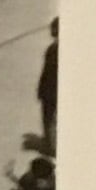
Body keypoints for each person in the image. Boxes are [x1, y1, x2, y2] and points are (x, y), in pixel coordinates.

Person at [36, 16, 59, 152]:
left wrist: (41, 90)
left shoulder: (53, 49)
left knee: (49, 119)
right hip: (55, 91)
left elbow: (47, 73)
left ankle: (51, 146)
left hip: (50, 92)